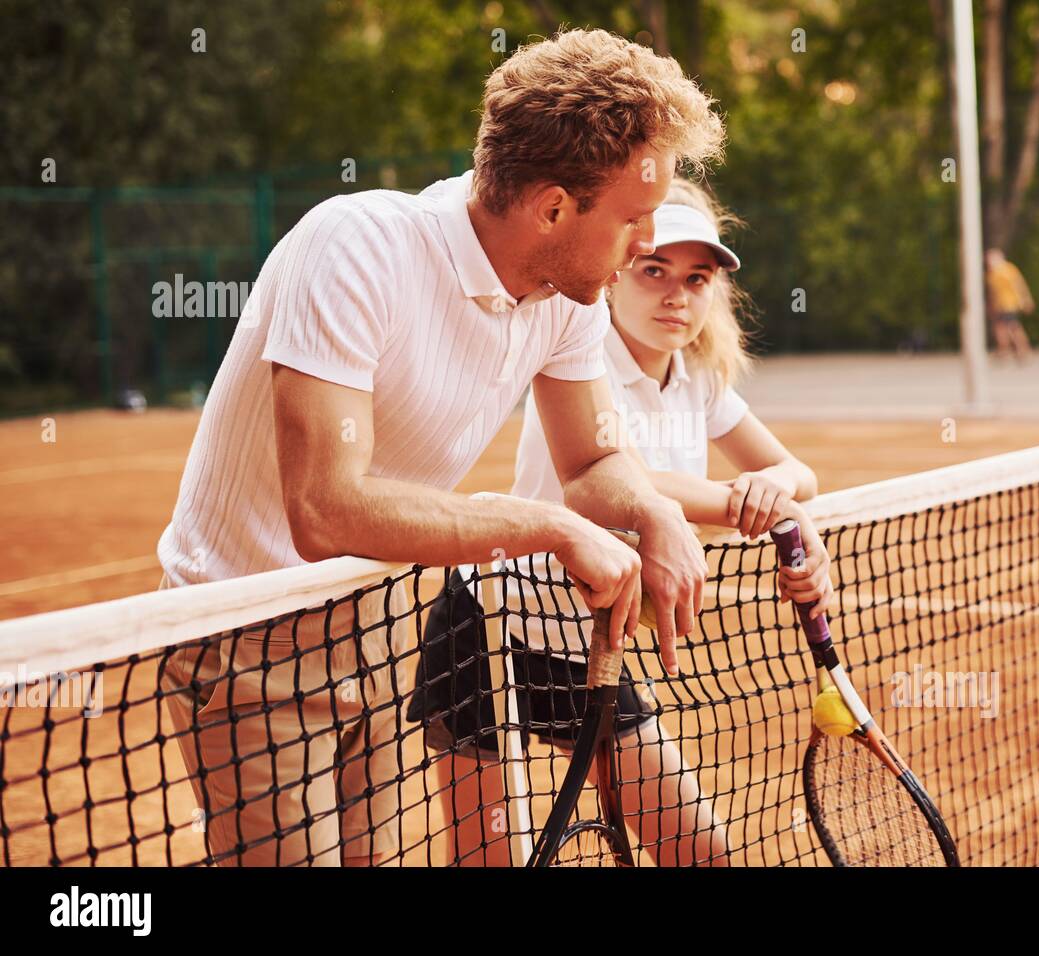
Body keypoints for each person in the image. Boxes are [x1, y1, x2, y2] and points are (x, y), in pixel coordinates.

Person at [155, 28, 723, 866]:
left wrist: (653, 511)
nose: (648, 243)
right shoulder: (355, 247)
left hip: (385, 625)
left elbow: (594, 462)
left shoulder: (567, 297)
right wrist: (548, 528)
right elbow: (326, 509)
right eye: (635, 219)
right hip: (250, 641)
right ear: (553, 208)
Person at [415, 178, 833, 866]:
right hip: (490, 629)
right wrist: (751, 504)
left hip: (591, 650)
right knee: (487, 858)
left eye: (697, 279)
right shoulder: (579, 362)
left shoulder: (701, 378)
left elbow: (797, 473)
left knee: (701, 854)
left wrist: (777, 492)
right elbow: (621, 480)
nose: (677, 295)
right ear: (615, 276)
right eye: (654, 271)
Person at [984, 248, 1034, 362]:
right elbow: (992, 292)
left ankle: (1023, 351)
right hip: (1000, 305)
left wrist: (1025, 299)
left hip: (1010, 303)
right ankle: (1004, 351)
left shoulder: (1008, 269)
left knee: (1013, 327)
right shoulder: (991, 274)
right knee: (1000, 328)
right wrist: (991, 306)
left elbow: (1019, 285)